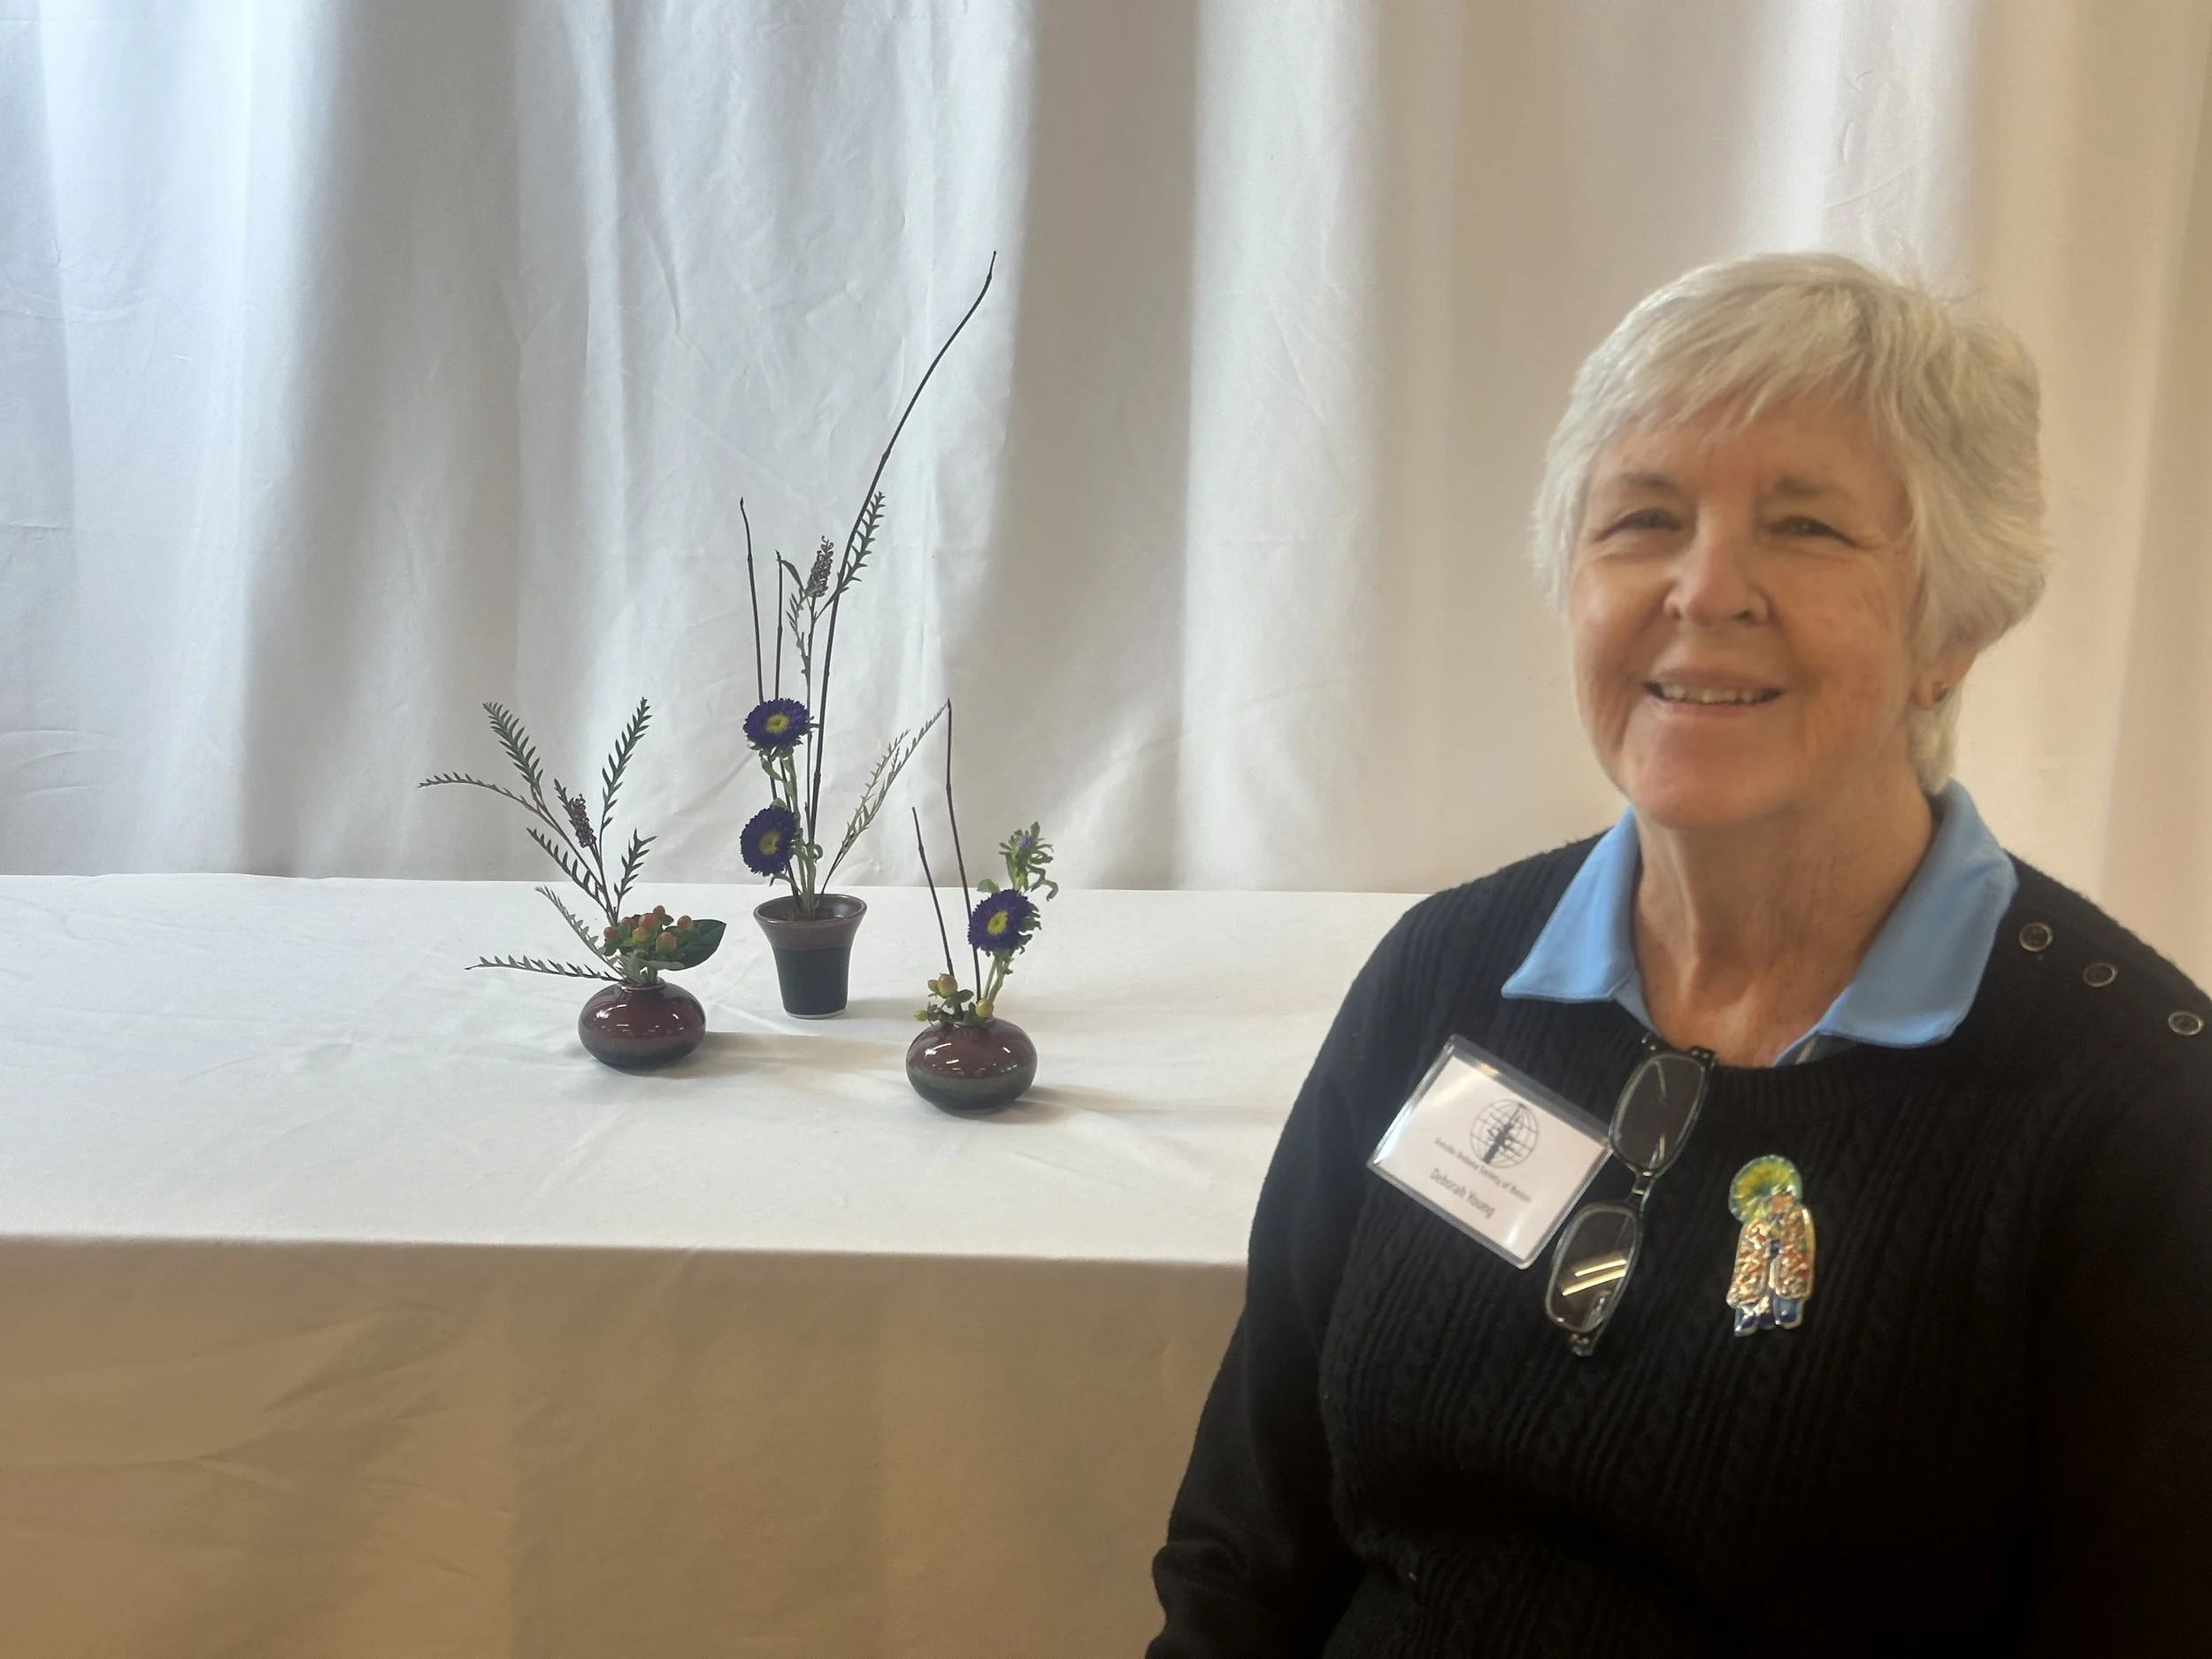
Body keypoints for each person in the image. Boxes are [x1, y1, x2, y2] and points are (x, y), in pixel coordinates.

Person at [1148, 252, 2212, 1655]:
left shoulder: (2138, 1116)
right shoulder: (1446, 971)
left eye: (1808, 528)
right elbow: (1247, 1541)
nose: (1705, 588)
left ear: (1951, 626)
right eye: (1642, 518)